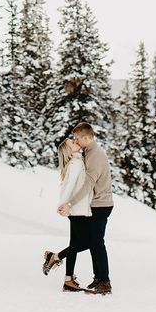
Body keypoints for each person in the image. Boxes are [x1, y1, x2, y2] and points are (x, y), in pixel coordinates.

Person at [59, 121, 114, 295]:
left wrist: (70, 203)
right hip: (95, 204)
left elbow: (88, 184)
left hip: (100, 204)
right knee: (94, 243)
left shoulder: (95, 155)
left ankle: (105, 282)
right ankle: (98, 278)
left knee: (97, 243)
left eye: (77, 138)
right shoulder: (88, 153)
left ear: (86, 138)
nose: (76, 141)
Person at [42, 137, 92, 292]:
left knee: (74, 244)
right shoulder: (76, 163)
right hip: (77, 210)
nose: (76, 143)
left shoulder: (77, 161)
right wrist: (63, 204)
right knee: (89, 242)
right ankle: (55, 257)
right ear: (68, 150)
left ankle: (68, 280)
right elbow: (69, 186)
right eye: (73, 143)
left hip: (77, 209)